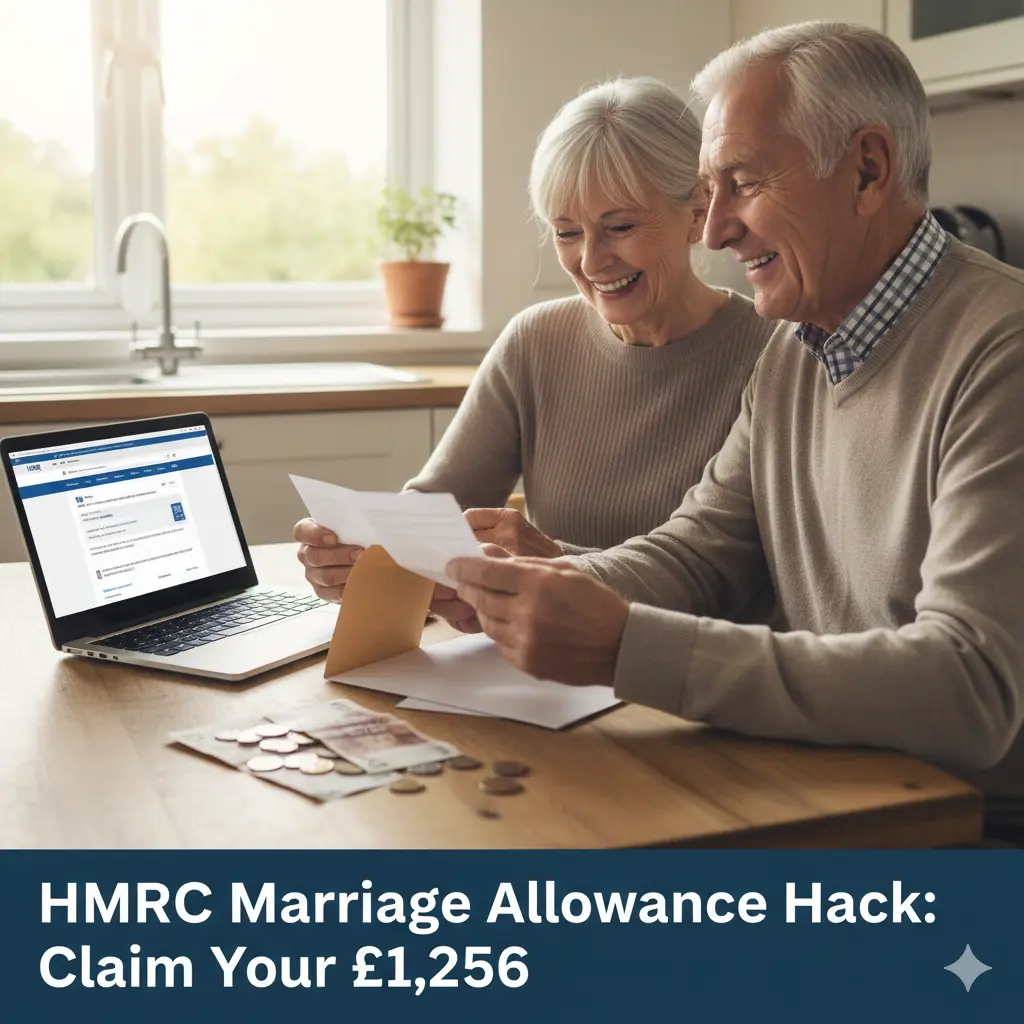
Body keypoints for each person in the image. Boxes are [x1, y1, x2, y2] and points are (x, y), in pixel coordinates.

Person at [444, 23, 1024, 832]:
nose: (714, 229)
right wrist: (547, 588)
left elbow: (971, 687)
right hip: (830, 783)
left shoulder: (1002, 351)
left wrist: (624, 646)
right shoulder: (797, 348)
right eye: (709, 191)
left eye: (742, 184)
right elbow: (698, 550)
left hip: (965, 827)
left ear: (867, 170)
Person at [294, 77, 773, 616]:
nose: (590, 262)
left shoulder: (772, 354)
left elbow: (733, 577)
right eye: (567, 233)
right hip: (541, 655)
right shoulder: (536, 341)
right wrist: (361, 555)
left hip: (690, 661)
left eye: (618, 227)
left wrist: (552, 566)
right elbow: (434, 510)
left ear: (698, 212)